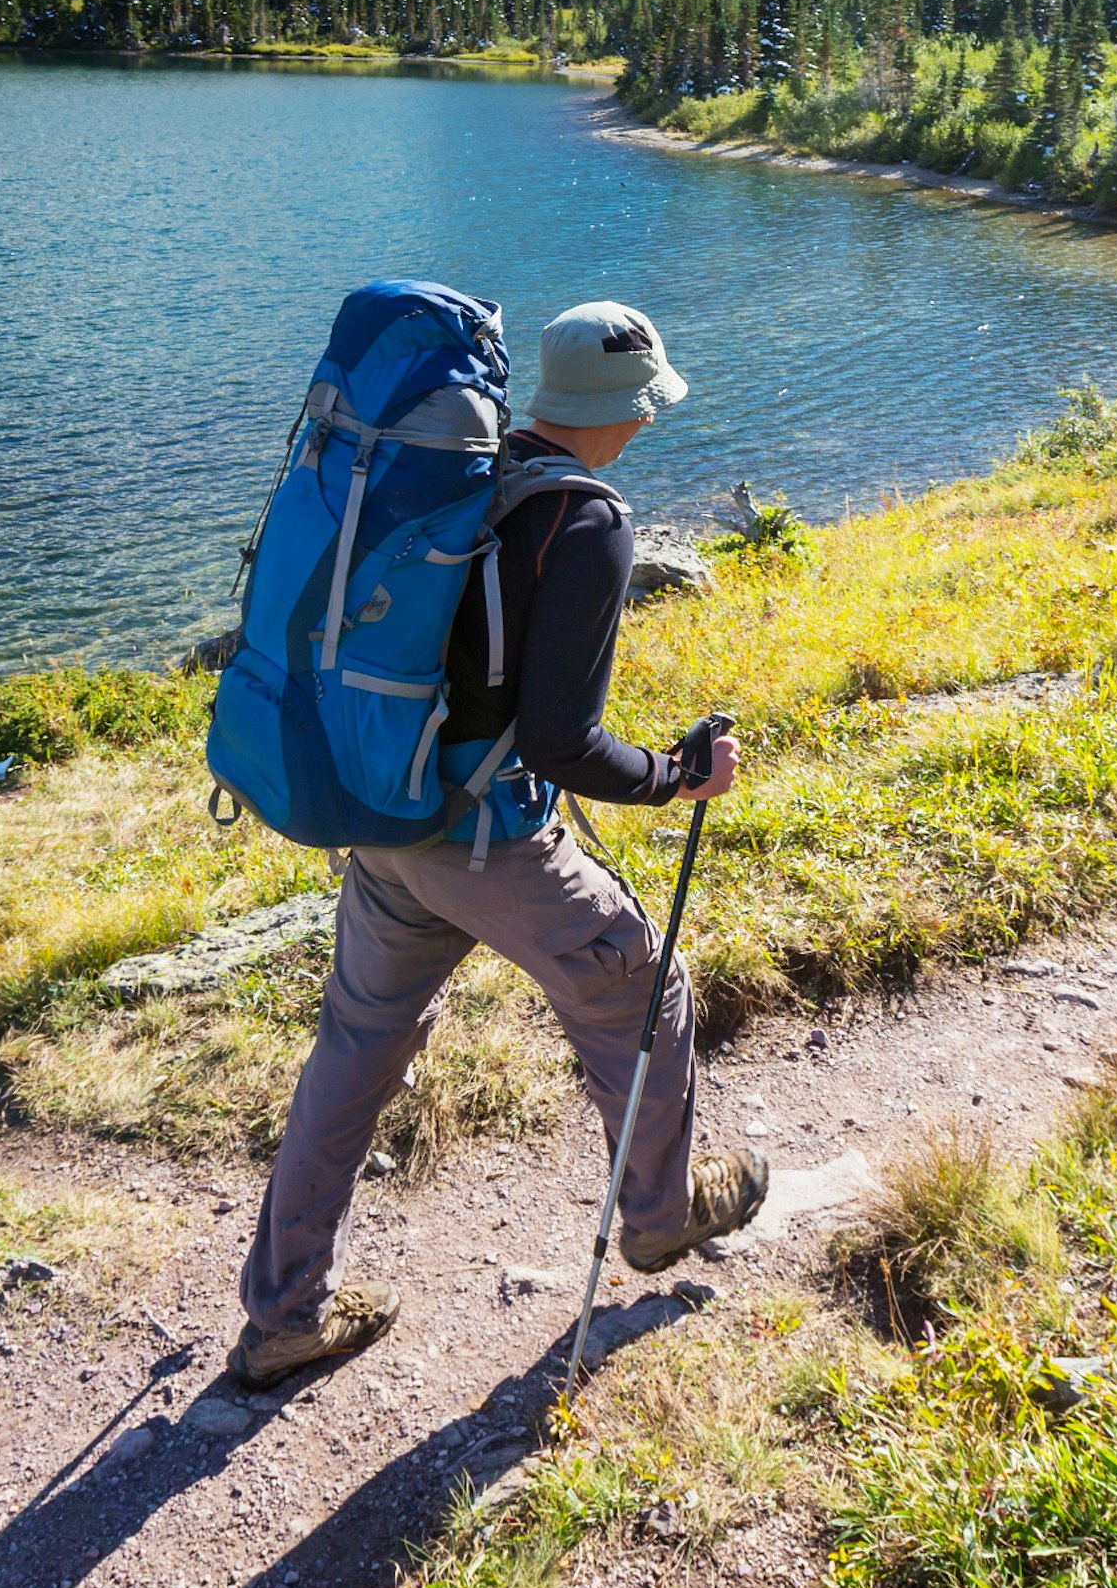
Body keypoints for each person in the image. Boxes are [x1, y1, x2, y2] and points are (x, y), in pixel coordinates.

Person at [229, 299, 769, 1387]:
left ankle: (283, 1314)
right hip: (490, 844)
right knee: (643, 987)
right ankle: (661, 1213)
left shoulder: (470, 476)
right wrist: (675, 776)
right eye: (645, 406)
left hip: (388, 819)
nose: (649, 423)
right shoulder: (586, 521)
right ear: (620, 408)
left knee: (355, 1050)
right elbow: (565, 743)